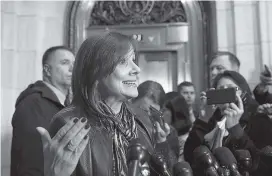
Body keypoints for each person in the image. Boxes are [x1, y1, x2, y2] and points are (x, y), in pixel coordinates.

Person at [37, 32, 172, 176]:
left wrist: (162, 145)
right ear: (95, 71)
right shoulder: (69, 123)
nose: (137, 69)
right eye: (122, 62)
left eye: (133, 60)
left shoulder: (142, 119)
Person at [10, 46, 75, 176]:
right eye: (64, 63)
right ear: (47, 70)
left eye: (74, 64)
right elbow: (32, 161)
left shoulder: (65, 103)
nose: (72, 68)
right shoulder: (32, 103)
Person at [184, 71, 259, 174]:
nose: (224, 94)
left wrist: (235, 128)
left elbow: (257, 163)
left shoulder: (257, 118)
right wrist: (203, 120)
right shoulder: (211, 121)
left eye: (230, 89)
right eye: (220, 90)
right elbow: (189, 156)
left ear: (243, 94)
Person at [131, 80, 179, 170]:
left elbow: (172, 170)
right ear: (132, 102)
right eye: (142, 111)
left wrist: (162, 142)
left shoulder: (168, 132)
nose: (147, 116)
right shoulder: (122, 126)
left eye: (153, 113)